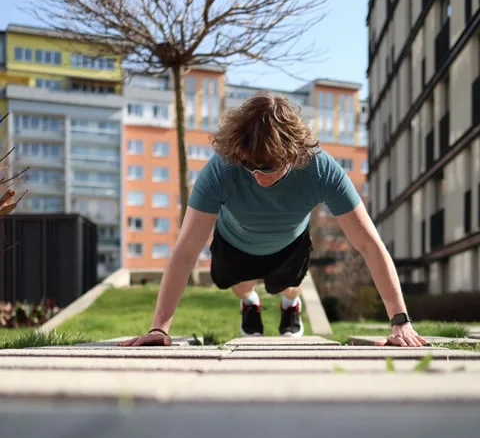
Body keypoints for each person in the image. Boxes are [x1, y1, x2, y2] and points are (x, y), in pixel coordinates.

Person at [121, 95, 427, 348]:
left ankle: (290, 306)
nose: (256, 175)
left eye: (267, 167)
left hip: (289, 244)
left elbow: (368, 244)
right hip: (234, 243)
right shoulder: (221, 169)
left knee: (289, 287)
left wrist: (400, 321)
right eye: (249, 165)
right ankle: (250, 303)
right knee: (241, 286)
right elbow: (186, 251)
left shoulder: (321, 170)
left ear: (293, 154)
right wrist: (159, 328)